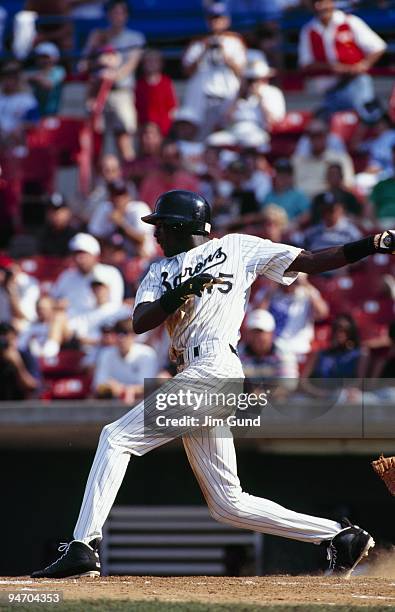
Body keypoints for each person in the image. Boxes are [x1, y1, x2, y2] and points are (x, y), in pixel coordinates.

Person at [31, 189, 395, 580]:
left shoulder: (237, 247)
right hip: (191, 370)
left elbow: (308, 260)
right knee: (228, 504)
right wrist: (179, 294)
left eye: (161, 226)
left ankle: (83, 546)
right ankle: (340, 536)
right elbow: (140, 322)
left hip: (215, 365)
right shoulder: (158, 271)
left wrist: (371, 244)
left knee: (116, 437)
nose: (156, 235)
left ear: (180, 226)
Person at [298, 0, 386, 122]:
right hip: (330, 90)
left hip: (356, 84)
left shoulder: (350, 21)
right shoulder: (308, 30)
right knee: (328, 126)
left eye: (323, 2)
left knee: (368, 120)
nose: (320, 7)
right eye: (315, 3)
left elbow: (377, 46)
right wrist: (332, 67)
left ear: (331, 3)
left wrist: (363, 64)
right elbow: (305, 63)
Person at [80, 0, 146, 161]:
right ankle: (97, 184)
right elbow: (82, 65)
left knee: (123, 140)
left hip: (121, 94)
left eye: (121, 12)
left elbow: (130, 65)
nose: (117, 16)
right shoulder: (98, 35)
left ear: (126, 15)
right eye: (114, 12)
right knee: (96, 143)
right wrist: (98, 61)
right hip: (97, 93)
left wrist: (112, 75)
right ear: (108, 15)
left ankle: (127, 183)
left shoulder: (135, 38)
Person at [182, 2, 247, 137]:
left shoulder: (235, 42)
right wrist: (204, 50)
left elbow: (241, 71)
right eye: (212, 18)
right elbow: (187, 71)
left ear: (227, 20)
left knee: (227, 136)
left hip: (227, 97)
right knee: (201, 136)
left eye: (219, 18)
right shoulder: (199, 43)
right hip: (204, 98)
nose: (216, 22)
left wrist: (225, 54)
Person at [52, 232, 124, 318]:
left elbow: (115, 305)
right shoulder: (66, 276)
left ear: (95, 255)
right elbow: (53, 300)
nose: (79, 259)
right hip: (71, 323)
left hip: (101, 321)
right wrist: (58, 305)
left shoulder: (111, 273)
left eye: (83, 254)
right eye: (76, 254)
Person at [93, 317, 159, 402]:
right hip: (113, 404)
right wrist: (121, 390)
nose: (121, 338)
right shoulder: (106, 354)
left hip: (142, 404)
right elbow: (99, 385)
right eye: (117, 332)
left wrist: (127, 390)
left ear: (133, 335)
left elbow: (147, 387)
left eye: (125, 333)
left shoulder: (147, 354)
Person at [88, 179, 155, 257]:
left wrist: (121, 224)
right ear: (109, 197)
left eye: (122, 195)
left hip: (142, 257)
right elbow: (94, 236)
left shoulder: (138, 209)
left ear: (128, 197)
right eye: (114, 195)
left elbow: (141, 240)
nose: (118, 199)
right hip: (117, 256)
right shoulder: (105, 208)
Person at [292, 118, 354, 198]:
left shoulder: (341, 159)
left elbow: (347, 186)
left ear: (327, 136)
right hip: (301, 204)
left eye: (320, 135)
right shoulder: (296, 161)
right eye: (313, 136)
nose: (316, 139)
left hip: (328, 203)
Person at [139, 140, 200, 208]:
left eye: (175, 156)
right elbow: (143, 208)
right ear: (160, 158)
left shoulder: (189, 181)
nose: (172, 160)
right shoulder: (150, 182)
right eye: (167, 156)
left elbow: (195, 207)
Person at [239, 309, 297, 379]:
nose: (257, 337)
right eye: (254, 332)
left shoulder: (284, 352)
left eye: (261, 332)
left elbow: (288, 385)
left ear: (271, 333)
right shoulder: (239, 352)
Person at [135, 49, 178, 137]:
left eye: (155, 61)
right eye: (148, 61)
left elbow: (173, 108)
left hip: (164, 130)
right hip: (144, 132)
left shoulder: (166, 83)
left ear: (161, 64)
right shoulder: (138, 85)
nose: (151, 64)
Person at [261, 158, 310, 222]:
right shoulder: (268, 195)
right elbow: (262, 215)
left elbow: (307, 214)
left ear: (291, 176)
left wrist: (294, 224)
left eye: (286, 174)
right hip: (270, 229)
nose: (282, 176)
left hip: (291, 229)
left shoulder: (299, 195)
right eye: (279, 173)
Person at [0, 321, 40, 400]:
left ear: (16, 339)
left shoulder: (26, 356)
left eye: (10, 340)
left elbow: (32, 387)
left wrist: (18, 364)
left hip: (20, 406)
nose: (7, 345)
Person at [26, 42, 66, 116]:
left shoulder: (59, 70)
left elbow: (48, 85)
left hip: (52, 113)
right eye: (40, 57)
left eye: (46, 57)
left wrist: (34, 78)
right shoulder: (32, 71)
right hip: (35, 113)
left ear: (55, 57)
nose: (42, 60)